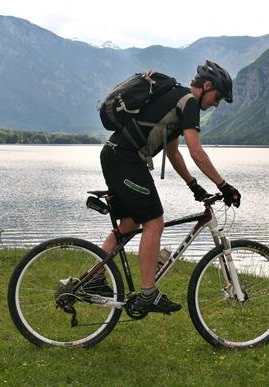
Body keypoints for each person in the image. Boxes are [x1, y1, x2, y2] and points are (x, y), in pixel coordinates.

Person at [98, 60, 241, 313]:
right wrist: (224, 185)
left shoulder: (177, 99)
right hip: (126, 159)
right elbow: (196, 151)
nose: (216, 104)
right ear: (207, 86)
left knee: (130, 224)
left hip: (114, 155)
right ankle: (147, 294)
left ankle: (94, 280)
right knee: (155, 222)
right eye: (217, 97)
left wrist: (193, 185)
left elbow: (174, 153)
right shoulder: (189, 103)